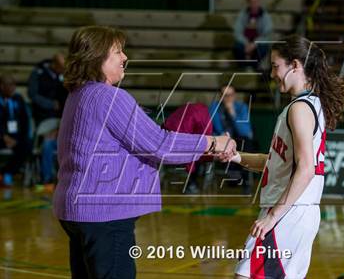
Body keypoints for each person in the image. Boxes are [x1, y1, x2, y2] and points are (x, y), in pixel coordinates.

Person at [52, 25, 236, 279]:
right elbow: (160, 145)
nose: (125, 57)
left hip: (77, 211)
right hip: (105, 214)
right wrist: (213, 143)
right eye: (117, 52)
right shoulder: (109, 98)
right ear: (96, 58)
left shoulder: (78, 95)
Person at [229, 35, 344, 278]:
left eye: (276, 66)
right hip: (295, 210)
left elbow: (306, 168)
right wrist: (235, 157)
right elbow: (275, 163)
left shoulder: (300, 108)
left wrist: (273, 216)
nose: (272, 73)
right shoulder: (307, 105)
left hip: (288, 211)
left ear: (295, 65)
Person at [28, 53, 68, 188]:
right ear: (54, 65)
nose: (63, 71)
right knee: (46, 144)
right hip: (44, 118)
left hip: (63, 121)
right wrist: (50, 104)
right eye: (61, 68)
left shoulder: (65, 79)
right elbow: (32, 94)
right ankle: (47, 179)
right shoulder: (38, 73)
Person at [209, 85, 254, 193]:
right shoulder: (215, 107)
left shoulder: (241, 107)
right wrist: (222, 135)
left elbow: (245, 131)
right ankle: (234, 176)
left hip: (240, 139)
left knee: (246, 143)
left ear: (234, 96)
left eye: (230, 95)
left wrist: (232, 113)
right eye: (225, 96)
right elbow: (214, 128)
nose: (228, 98)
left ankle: (245, 181)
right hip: (222, 139)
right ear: (220, 97)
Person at [163, 102, 213, 194]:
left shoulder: (192, 112)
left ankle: (192, 182)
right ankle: (192, 183)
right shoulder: (200, 113)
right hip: (178, 139)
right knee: (198, 153)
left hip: (168, 137)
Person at [0, 74, 32, 187]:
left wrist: (17, 139)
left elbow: (25, 121)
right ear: (1, 86)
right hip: (2, 137)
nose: (12, 87)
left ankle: (7, 172)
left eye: (14, 85)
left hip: (15, 137)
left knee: (27, 145)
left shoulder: (18, 99)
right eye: (9, 85)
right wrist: (3, 137)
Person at [233, 0, 273, 70]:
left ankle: (254, 67)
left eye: (256, 1)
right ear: (248, 2)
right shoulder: (243, 14)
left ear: (259, 1)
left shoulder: (265, 16)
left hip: (258, 44)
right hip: (245, 43)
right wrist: (246, 43)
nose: (254, 3)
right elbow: (237, 32)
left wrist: (254, 44)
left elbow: (267, 34)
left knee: (263, 48)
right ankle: (243, 68)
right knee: (237, 47)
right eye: (252, 1)